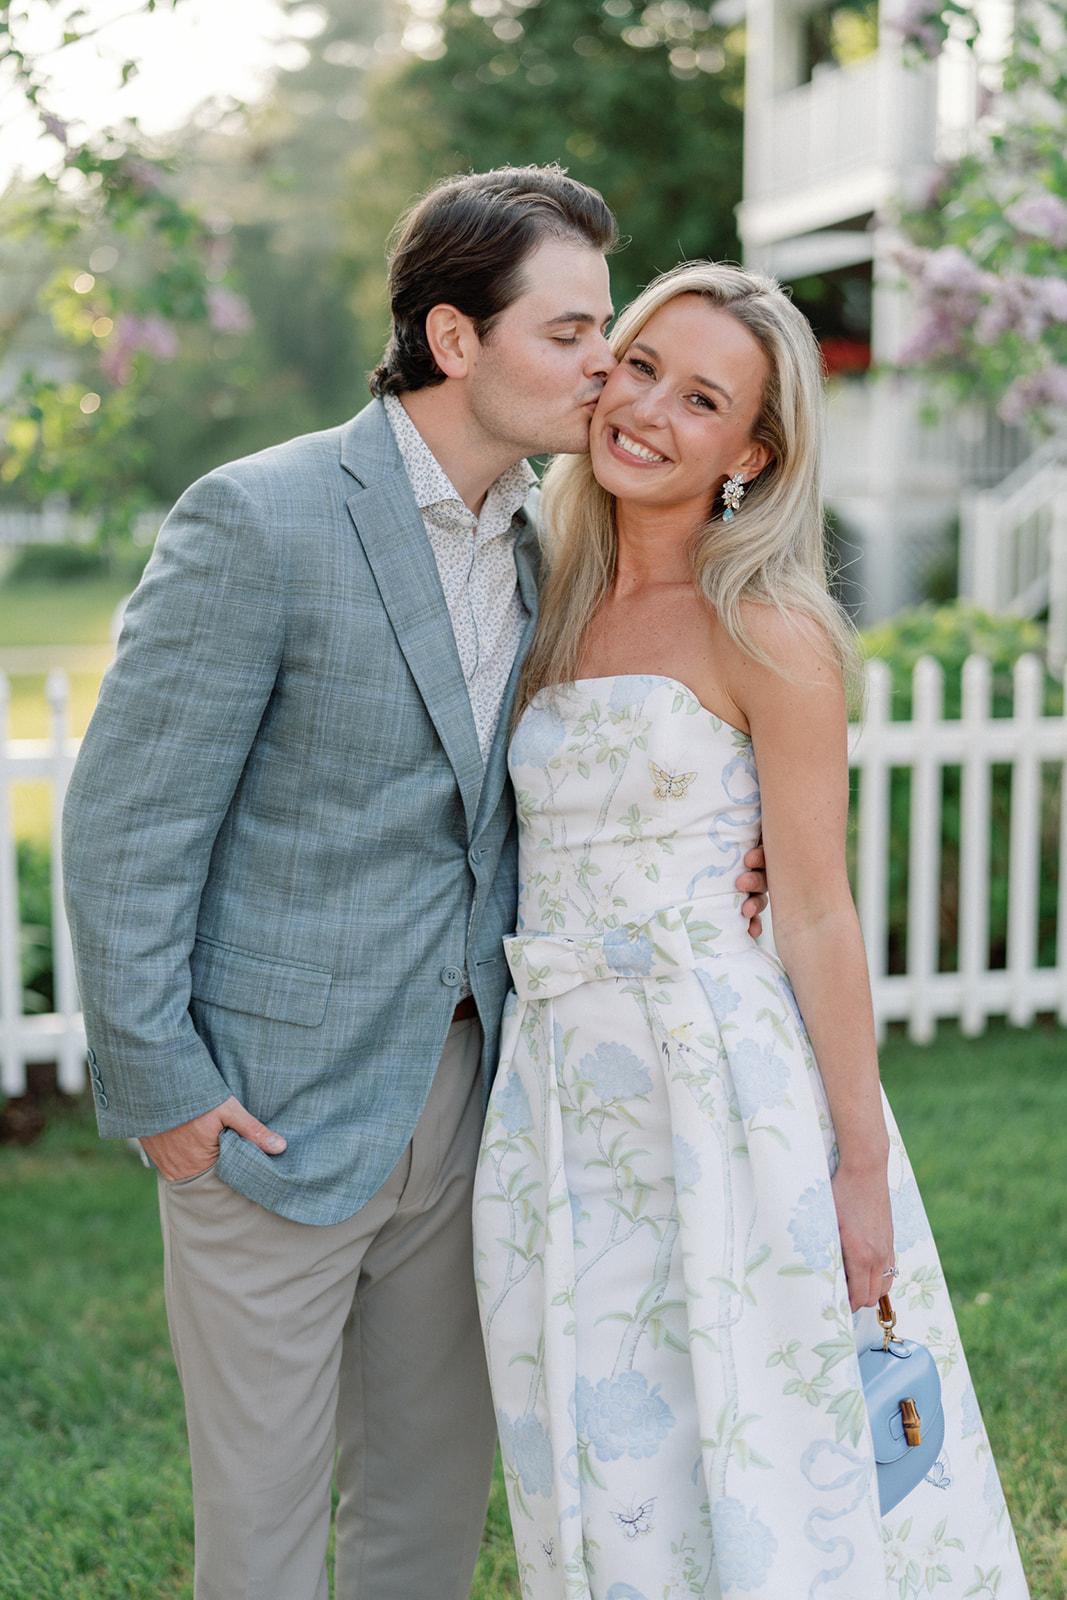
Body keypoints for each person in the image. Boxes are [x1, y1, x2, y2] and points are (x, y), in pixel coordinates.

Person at [61, 170, 768, 1600]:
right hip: (264, 1104)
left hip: (475, 1103)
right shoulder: (259, 519)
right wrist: (169, 1095)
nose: (606, 372)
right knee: (260, 1534)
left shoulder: (541, 544)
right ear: (456, 340)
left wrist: (721, 838)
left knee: (430, 1515)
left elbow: (564, 774)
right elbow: (126, 828)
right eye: (574, 336)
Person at [473, 262, 1030, 1599]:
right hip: (552, 1099)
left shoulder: (768, 629)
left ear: (752, 452)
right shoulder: (532, 599)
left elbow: (822, 912)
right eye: (643, 365)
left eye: (703, 398)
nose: (650, 409)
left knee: (758, 1443)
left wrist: (856, 1163)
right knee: (602, 1454)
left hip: (720, 1091)